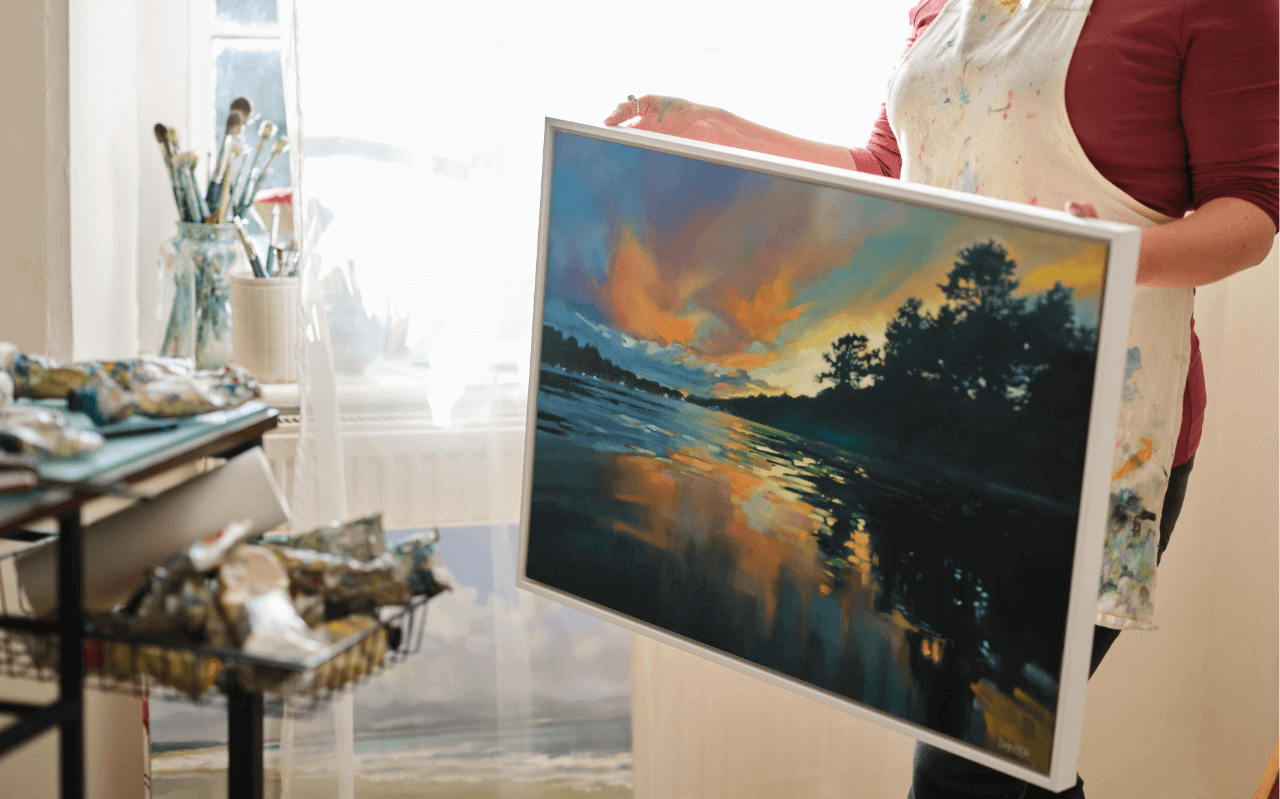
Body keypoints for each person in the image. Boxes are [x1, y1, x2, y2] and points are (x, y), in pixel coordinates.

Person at [605, 1, 1280, 796]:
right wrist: (722, 128)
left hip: (1108, 451)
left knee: (976, 757)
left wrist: (1108, 259)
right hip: (945, 437)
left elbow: (1252, 215)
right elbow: (893, 170)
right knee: (999, 749)